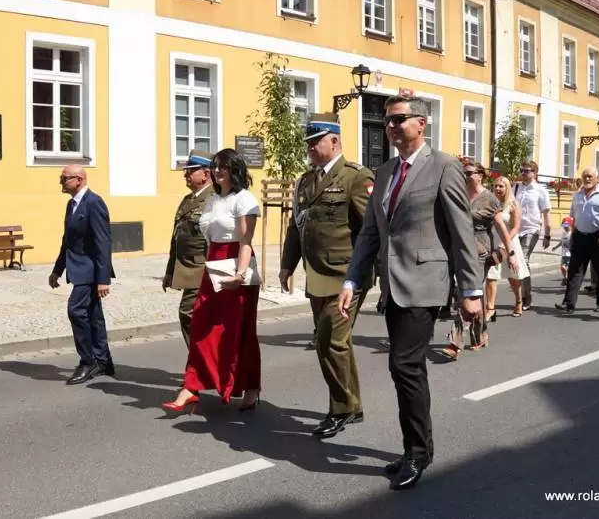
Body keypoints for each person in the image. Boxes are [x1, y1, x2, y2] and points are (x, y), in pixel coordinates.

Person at [338, 95, 482, 491]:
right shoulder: (385, 172)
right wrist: (352, 280)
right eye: (387, 120)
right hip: (392, 283)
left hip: (426, 281)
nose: (391, 126)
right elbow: (370, 232)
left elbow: (461, 231)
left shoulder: (443, 166)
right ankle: (414, 449)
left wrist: (470, 289)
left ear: (421, 123)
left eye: (399, 119)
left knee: (405, 364)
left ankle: (418, 453)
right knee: (403, 368)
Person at [280, 113, 375, 438]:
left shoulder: (356, 177)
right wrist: (287, 264)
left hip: (347, 275)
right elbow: (297, 226)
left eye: (315, 141)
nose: (309, 147)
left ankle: (341, 408)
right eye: (307, 142)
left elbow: (372, 230)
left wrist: (375, 274)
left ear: (334, 141)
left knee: (329, 339)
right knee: (336, 342)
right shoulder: (306, 181)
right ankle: (353, 405)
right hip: (318, 274)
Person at [163, 149, 262, 413]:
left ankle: (251, 387)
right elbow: (207, 237)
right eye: (216, 166)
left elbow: (246, 242)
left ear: (235, 169)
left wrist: (240, 274)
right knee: (200, 326)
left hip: (236, 264)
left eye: (223, 167)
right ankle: (191, 386)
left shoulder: (245, 199)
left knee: (239, 331)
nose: (217, 171)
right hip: (213, 264)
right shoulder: (214, 199)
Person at [441, 165, 519, 360]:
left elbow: (501, 227)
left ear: (480, 176)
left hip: (479, 249)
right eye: (463, 173)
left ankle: (455, 342)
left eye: (470, 173)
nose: (465, 176)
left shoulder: (489, 199)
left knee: (467, 293)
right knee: (475, 292)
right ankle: (480, 336)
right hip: (456, 247)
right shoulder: (459, 194)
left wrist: (510, 253)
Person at [49, 165, 115, 385]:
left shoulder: (94, 203)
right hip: (78, 268)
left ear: (78, 179)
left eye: (64, 178)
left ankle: (88, 361)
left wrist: (103, 279)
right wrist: (58, 269)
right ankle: (103, 361)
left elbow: (103, 241)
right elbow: (67, 240)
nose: (61, 181)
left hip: (90, 270)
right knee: (93, 315)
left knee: (76, 310)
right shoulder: (72, 204)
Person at [163, 150, 214, 347]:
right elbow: (176, 239)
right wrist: (170, 272)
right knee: (195, 316)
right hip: (187, 268)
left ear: (206, 173)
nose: (186, 174)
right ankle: (202, 358)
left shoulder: (214, 200)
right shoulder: (188, 200)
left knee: (188, 312)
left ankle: (201, 357)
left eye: (191, 171)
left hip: (202, 268)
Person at [555, 167, 599, 313]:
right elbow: (573, 216)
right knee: (574, 270)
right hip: (580, 236)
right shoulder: (578, 195)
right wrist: (572, 235)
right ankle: (569, 303)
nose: (587, 179)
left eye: (590, 176)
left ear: (597, 178)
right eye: (585, 176)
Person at [485, 176, 529, 319]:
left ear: (507, 188)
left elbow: (516, 227)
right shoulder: (490, 202)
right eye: (496, 186)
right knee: (491, 276)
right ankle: (490, 308)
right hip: (492, 243)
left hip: (509, 243)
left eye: (501, 186)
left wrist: (504, 243)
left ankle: (519, 300)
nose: (498, 189)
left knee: (513, 277)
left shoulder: (513, 204)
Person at [512, 161, 552, 311]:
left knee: (523, 259)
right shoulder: (516, 187)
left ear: (535, 173)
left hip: (531, 229)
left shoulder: (540, 190)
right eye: (522, 170)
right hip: (515, 229)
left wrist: (547, 235)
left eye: (527, 171)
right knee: (517, 261)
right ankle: (521, 295)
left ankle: (526, 297)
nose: (523, 173)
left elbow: (546, 213)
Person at [555, 216, 574, 285]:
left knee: (569, 268)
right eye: (564, 226)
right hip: (564, 254)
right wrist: (556, 247)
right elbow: (561, 242)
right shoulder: (563, 233)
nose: (565, 227)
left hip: (570, 254)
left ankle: (568, 279)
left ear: (571, 225)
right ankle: (566, 278)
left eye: (566, 226)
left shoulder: (572, 233)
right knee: (562, 267)